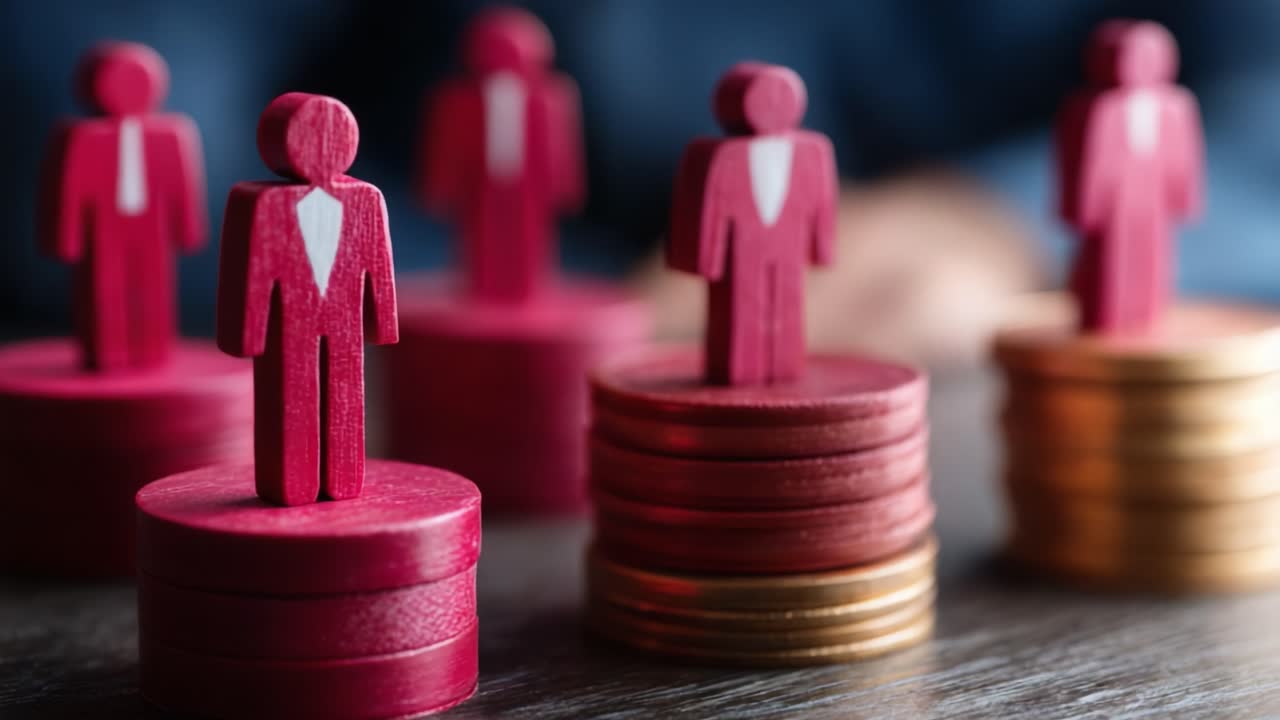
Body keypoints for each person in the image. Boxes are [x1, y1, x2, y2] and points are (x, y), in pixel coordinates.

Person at [6, 1, 1280, 365]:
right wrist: (530, 319)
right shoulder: (287, 185)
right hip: (492, 318)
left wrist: (994, 218)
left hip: (953, 316)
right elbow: (60, 101)